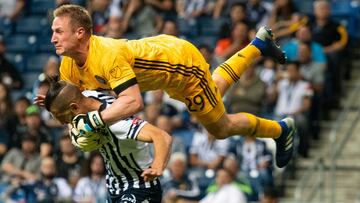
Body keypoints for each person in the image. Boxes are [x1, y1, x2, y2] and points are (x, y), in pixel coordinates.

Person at [35, 4, 294, 168]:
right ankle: (258, 46)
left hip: (180, 65)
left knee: (221, 126)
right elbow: (72, 102)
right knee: (213, 89)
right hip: (161, 61)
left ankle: (280, 130)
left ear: (80, 33)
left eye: (58, 31)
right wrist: (52, 105)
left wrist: (93, 122)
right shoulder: (68, 64)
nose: (52, 38)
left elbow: (133, 103)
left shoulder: (106, 54)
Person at [44, 80, 173, 203]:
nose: (62, 123)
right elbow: (68, 91)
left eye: (63, 118)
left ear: (75, 107)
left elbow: (162, 136)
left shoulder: (117, 124)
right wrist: (54, 103)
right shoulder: (88, 95)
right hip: (114, 187)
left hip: (140, 186)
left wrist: (157, 167)